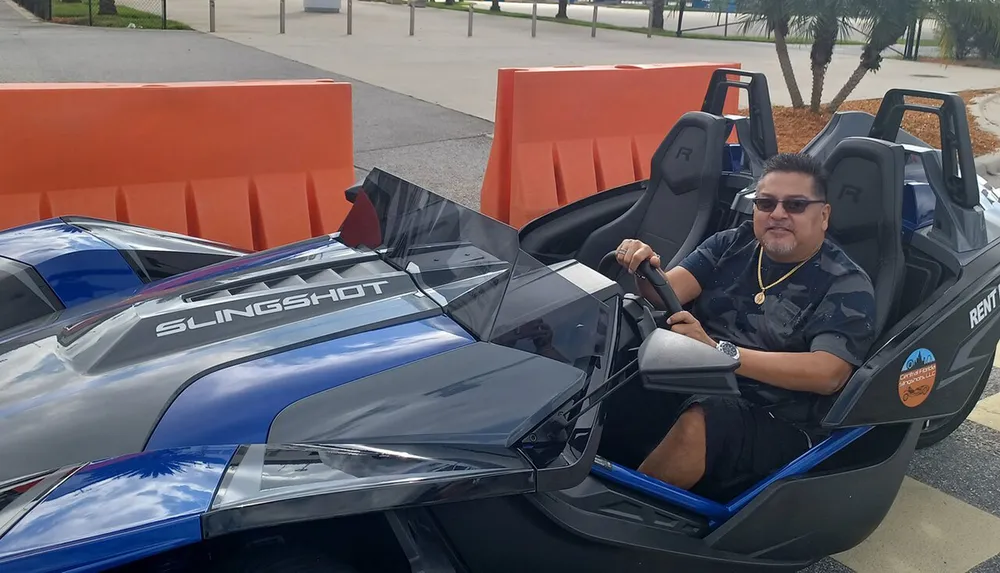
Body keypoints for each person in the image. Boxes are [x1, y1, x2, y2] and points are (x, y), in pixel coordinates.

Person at [614, 152, 877, 495]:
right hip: (700, 378)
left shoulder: (846, 283)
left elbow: (828, 374)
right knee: (620, 365)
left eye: (796, 205)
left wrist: (719, 352)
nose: (778, 214)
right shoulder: (733, 243)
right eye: (766, 203)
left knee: (705, 418)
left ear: (823, 215)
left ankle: (631, 512)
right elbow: (666, 292)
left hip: (775, 416)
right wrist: (643, 265)